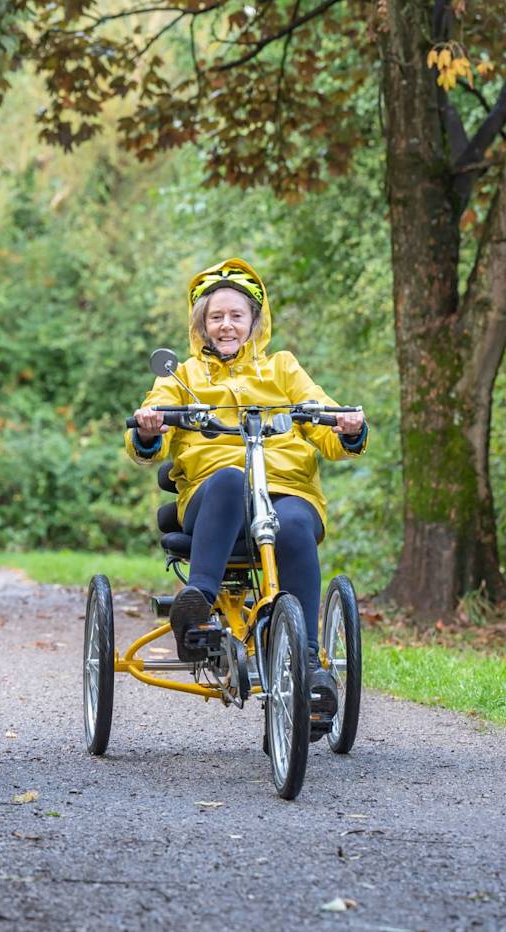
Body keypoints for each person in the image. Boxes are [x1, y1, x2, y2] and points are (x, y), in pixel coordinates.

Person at [126, 257, 367, 714]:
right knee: (229, 479)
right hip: (214, 495)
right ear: (201, 324)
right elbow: (149, 439)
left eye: (236, 315)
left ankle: (308, 663)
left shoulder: (283, 369)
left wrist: (346, 428)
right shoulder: (181, 377)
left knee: (295, 524)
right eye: (215, 316)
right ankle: (197, 609)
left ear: (255, 321)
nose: (226, 325)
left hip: (285, 490)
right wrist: (149, 428)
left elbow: (324, 419)